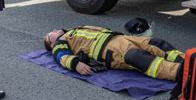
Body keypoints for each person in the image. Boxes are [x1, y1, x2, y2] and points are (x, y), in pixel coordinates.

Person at [44, 26, 184, 81]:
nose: (54, 30)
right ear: (51, 43)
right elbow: (61, 57)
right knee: (137, 57)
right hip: (110, 51)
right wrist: (76, 64)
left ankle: (188, 60)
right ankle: (182, 72)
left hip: (120, 38)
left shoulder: (71, 31)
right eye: (51, 34)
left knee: (157, 44)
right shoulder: (60, 43)